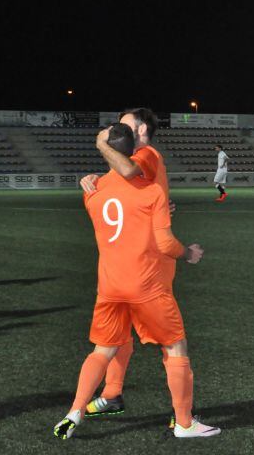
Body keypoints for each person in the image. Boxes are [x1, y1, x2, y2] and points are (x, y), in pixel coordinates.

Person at [53, 124, 219, 440]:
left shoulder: (93, 192)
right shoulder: (151, 190)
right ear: (134, 151)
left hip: (109, 287)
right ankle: (184, 423)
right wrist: (189, 254)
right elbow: (165, 244)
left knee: (102, 350)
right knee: (175, 348)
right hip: (145, 286)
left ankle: (74, 411)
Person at [79, 108, 175, 417]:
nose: (118, 128)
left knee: (171, 343)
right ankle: (111, 395)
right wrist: (94, 178)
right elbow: (124, 182)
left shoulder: (146, 153)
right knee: (120, 336)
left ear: (143, 129)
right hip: (131, 261)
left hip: (148, 266)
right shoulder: (134, 156)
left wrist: (101, 146)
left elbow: (130, 172)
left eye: (125, 124)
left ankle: (184, 413)